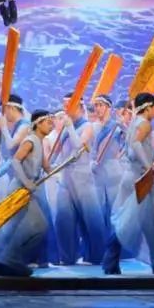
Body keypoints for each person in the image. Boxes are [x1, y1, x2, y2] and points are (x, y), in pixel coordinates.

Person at [0, 110, 58, 277]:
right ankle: (11, 259)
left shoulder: (38, 141)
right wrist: (27, 182)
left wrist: (69, 162)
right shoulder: (30, 140)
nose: (51, 125)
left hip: (27, 190)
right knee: (38, 225)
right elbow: (15, 161)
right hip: (20, 189)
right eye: (48, 122)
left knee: (13, 229)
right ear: (38, 123)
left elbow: (46, 166)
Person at [112, 92, 154, 276]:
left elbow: (133, 149)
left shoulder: (133, 123)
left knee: (130, 220)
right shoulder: (144, 124)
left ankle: (112, 261)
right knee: (151, 222)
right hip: (141, 179)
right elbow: (136, 145)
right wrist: (149, 166)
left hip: (131, 176)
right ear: (148, 107)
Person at [50, 93, 110, 268]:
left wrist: (69, 127)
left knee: (91, 219)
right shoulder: (65, 128)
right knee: (63, 217)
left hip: (83, 177)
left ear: (78, 106)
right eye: (64, 105)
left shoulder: (88, 126)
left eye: (68, 105)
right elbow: (60, 152)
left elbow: (78, 148)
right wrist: (48, 166)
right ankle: (67, 256)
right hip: (66, 177)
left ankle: (97, 255)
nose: (65, 108)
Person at [89, 95, 125, 274]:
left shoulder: (116, 126)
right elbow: (90, 148)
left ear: (109, 107)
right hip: (96, 171)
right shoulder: (93, 126)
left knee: (115, 213)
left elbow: (128, 143)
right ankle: (100, 253)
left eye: (101, 105)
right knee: (99, 213)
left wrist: (120, 154)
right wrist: (91, 162)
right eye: (95, 105)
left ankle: (114, 256)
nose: (97, 108)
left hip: (113, 171)